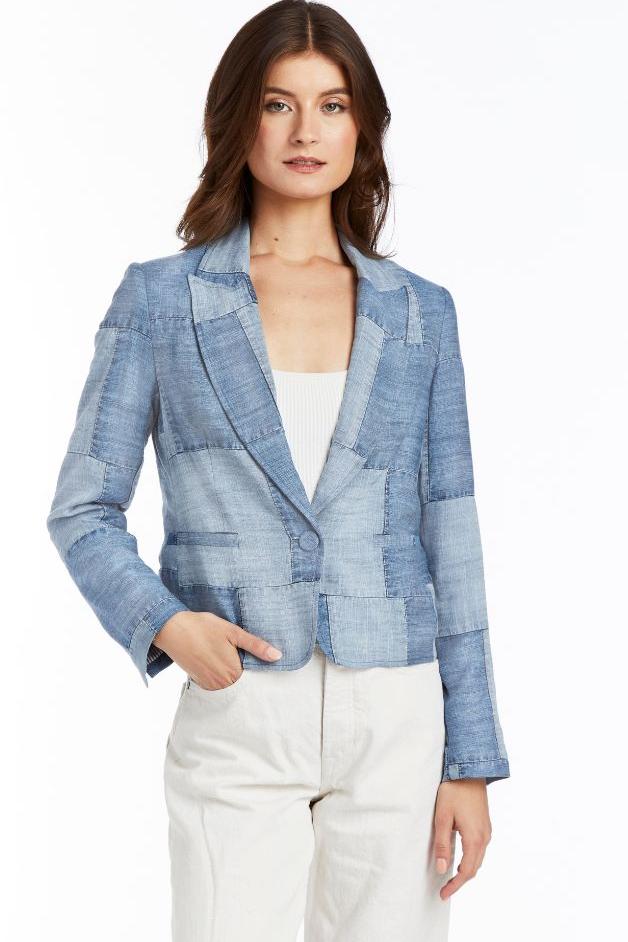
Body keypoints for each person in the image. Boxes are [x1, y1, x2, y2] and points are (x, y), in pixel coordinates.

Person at [46, 2, 510, 939]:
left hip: (397, 714)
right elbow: (83, 509)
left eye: (332, 105)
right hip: (242, 708)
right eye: (277, 103)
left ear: (362, 127)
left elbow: (450, 534)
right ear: (238, 120)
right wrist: (166, 624)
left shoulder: (420, 314)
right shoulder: (162, 301)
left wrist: (470, 759)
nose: (306, 132)